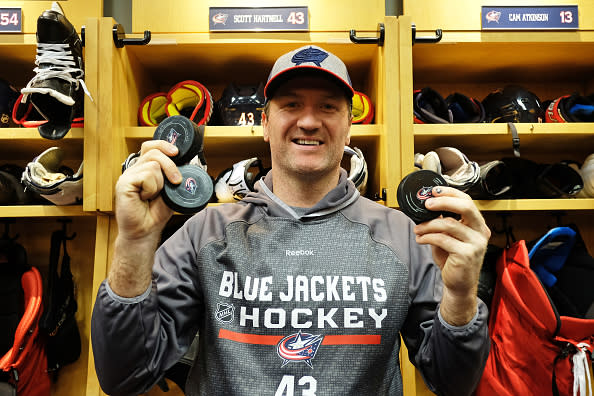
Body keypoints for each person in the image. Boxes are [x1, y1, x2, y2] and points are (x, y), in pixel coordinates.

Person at [91, 45, 491, 396]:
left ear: (349, 126)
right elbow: (124, 376)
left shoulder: (405, 237)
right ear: (265, 124)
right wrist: (134, 242)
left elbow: (453, 383)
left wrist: (460, 295)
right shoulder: (205, 234)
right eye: (291, 105)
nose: (309, 121)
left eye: (329, 107)